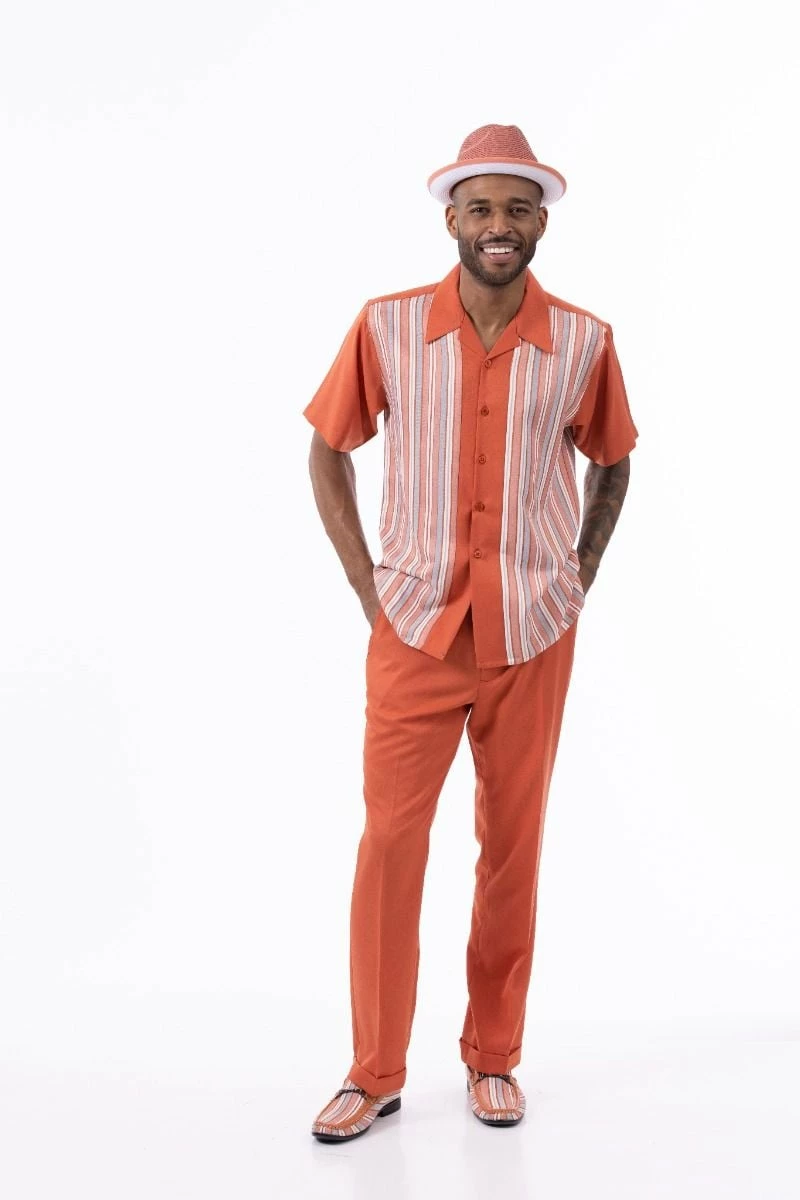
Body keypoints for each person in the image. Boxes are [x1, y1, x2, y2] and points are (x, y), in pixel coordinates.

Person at [303, 124, 638, 1141]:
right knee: (390, 844)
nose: (499, 225)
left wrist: (576, 575)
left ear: (541, 223)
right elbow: (327, 450)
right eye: (481, 208)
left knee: (511, 848)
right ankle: (373, 1070)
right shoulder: (387, 326)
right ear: (451, 218)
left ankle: (494, 1059)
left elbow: (613, 458)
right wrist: (368, 587)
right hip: (413, 628)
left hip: (531, 632)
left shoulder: (583, 341)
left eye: (518, 209)